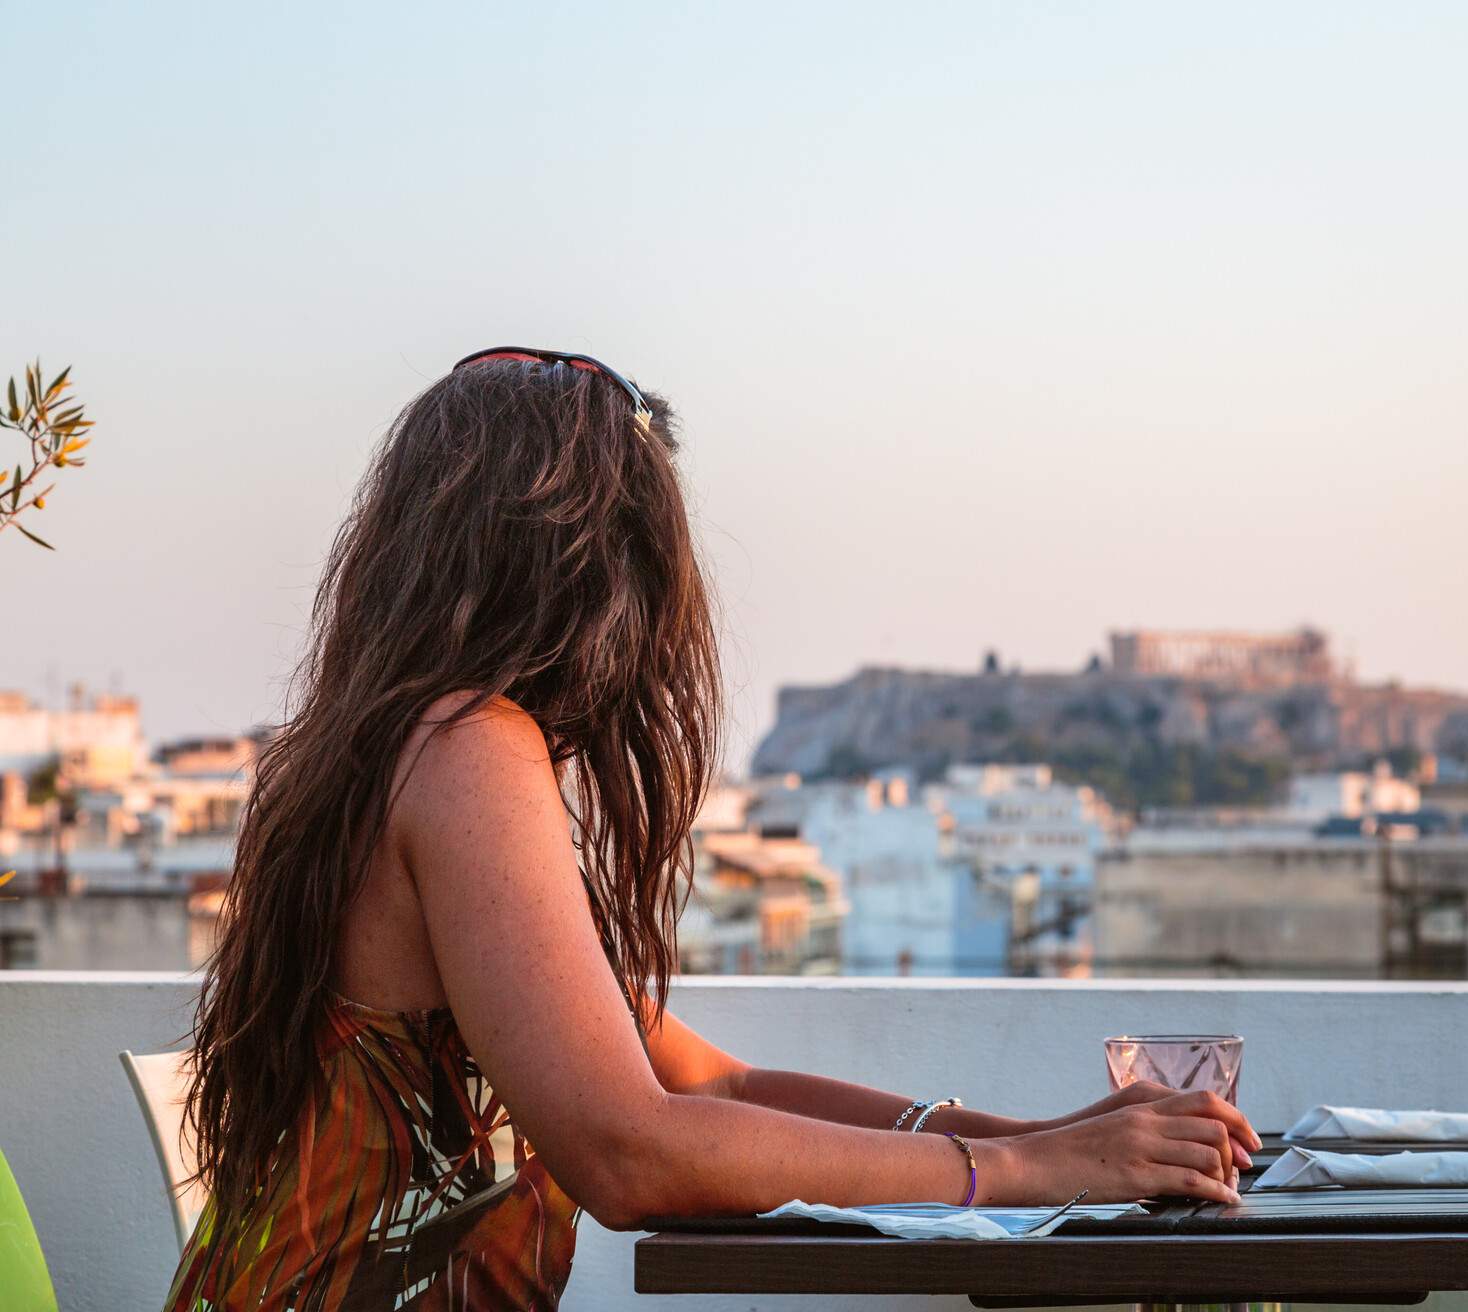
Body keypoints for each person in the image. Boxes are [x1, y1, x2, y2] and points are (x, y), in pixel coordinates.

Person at [166, 348, 1257, 1311]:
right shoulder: (464, 750)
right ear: (585, 559)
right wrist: (1019, 1175)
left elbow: (713, 1088)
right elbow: (628, 1152)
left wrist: (1051, 1141)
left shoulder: (382, 748)